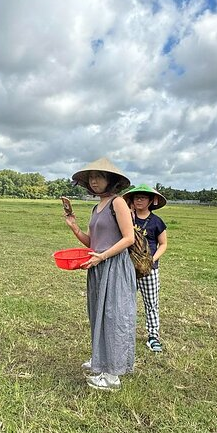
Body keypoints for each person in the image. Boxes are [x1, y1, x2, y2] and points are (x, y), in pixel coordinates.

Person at [65, 157, 137, 391]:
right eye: (91, 178)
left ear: (111, 180)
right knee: (98, 314)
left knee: (114, 316)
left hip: (114, 266)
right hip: (98, 266)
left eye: (99, 176)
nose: (94, 181)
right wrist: (74, 226)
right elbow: (93, 242)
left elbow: (129, 238)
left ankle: (113, 375)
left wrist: (102, 257)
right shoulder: (97, 207)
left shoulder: (118, 203)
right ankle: (101, 360)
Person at [122, 184, 168, 353]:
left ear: (151, 201)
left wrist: (151, 260)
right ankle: (125, 334)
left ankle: (153, 336)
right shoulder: (125, 218)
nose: (139, 200)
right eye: (136, 197)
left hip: (150, 270)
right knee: (125, 302)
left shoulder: (157, 222)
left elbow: (163, 244)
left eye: (143, 197)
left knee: (151, 303)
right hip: (127, 269)